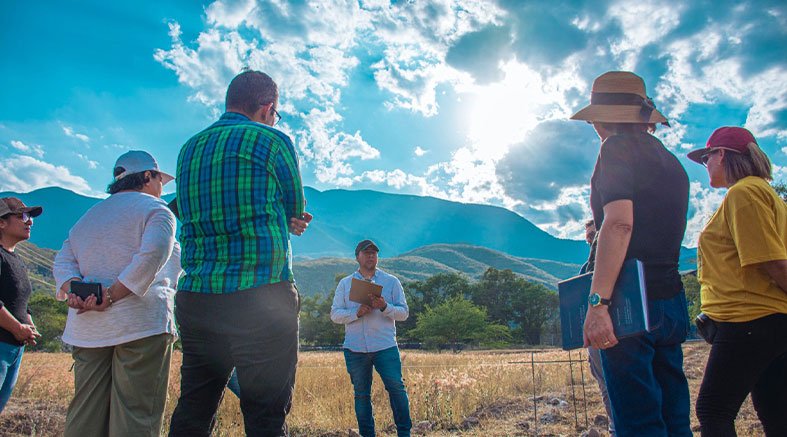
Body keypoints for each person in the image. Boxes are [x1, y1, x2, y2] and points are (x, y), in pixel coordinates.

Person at [168, 69, 312, 437]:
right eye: (275, 113)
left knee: (195, 407)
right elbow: (297, 205)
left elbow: (181, 207)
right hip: (261, 294)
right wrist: (288, 216)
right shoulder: (273, 140)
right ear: (268, 108)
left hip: (198, 295)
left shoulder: (189, 148)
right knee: (265, 415)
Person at [570, 71, 692, 436]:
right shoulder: (671, 163)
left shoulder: (615, 148)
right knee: (674, 419)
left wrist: (597, 302)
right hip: (670, 300)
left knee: (638, 423)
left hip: (629, 304)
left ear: (601, 117)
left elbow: (620, 224)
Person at [52, 150, 180, 437]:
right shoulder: (156, 210)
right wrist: (111, 296)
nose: (162, 188)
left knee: (86, 412)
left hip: (88, 327)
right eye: (160, 179)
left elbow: (62, 261)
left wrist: (75, 291)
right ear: (148, 176)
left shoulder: (88, 218)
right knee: (135, 414)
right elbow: (154, 254)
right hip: (140, 323)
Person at [687, 126, 787, 436]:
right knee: (776, 411)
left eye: (706, 158)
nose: (705, 166)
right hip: (768, 321)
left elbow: (773, 262)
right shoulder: (762, 193)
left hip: (748, 320)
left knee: (713, 409)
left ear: (722, 155)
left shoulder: (744, 193)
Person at [331, 240, 411, 437]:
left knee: (396, 389)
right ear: (357, 256)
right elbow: (334, 315)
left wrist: (385, 307)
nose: (370, 256)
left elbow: (404, 313)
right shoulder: (345, 284)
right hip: (355, 348)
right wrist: (356, 313)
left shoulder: (391, 281)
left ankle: (404, 433)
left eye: (374, 253)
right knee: (361, 395)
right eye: (366, 253)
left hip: (385, 346)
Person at [0, 198, 42, 412]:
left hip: (14, 348)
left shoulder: (15, 259)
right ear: (2, 223)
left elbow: (19, 300)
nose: (30, 222)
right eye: (22, 216)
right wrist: (17, 328)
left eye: (31, 217)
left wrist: (28, 323)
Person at [579, 219, 615, 436]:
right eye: (589, 238)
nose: (592, 240)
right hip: (595, 340)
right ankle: (615, 428)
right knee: (605, 387)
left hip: (617, 333)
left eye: (595, 235)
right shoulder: (586, 268)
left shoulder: (614, 263)